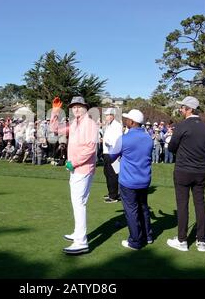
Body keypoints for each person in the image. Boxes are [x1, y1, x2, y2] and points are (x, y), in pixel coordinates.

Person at [50, 96, 98, 255]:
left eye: (79, 106)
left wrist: (74, 162)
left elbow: (90, 149)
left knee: (79, 204)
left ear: (85, 107)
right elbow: (55, 129)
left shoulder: (89, 124)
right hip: (76, 169)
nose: (76, 109)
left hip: (82, 169)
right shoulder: (75, 123)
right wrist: (55, 111)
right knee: (78, 202)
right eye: (73, 107)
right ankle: (78, 233)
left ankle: (81, 242)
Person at [167, 96, 205, 252]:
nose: (181, 109)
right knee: (200, 204)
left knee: (183, 205)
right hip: (200, 171)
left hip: (183, 170)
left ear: (190, 109)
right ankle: (201, 240)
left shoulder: (182, 126)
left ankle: (182, 240)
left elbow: (172, 147)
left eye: (183, 107)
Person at [109, 109, 154, 250]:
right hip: (144, 179)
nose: (126, 121)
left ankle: (135, 241)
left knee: (131, 211)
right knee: (143, 207)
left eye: (127, 119)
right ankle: (148, 236)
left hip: (129, 181)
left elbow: (111, 156)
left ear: (132, 122)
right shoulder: (148, 138)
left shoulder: (124, 138)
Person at [102, 108, 123, 203]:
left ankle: (114, 195)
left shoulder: (117, 125)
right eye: (106, 115)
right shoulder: (109, 125)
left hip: (113, 153)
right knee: (107, 173)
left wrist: (107, 142)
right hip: (107, 152)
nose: (106, 117)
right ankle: (111, 192)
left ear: (112, 115)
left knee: (112, 174)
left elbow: (117, 140)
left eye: (107, 115)